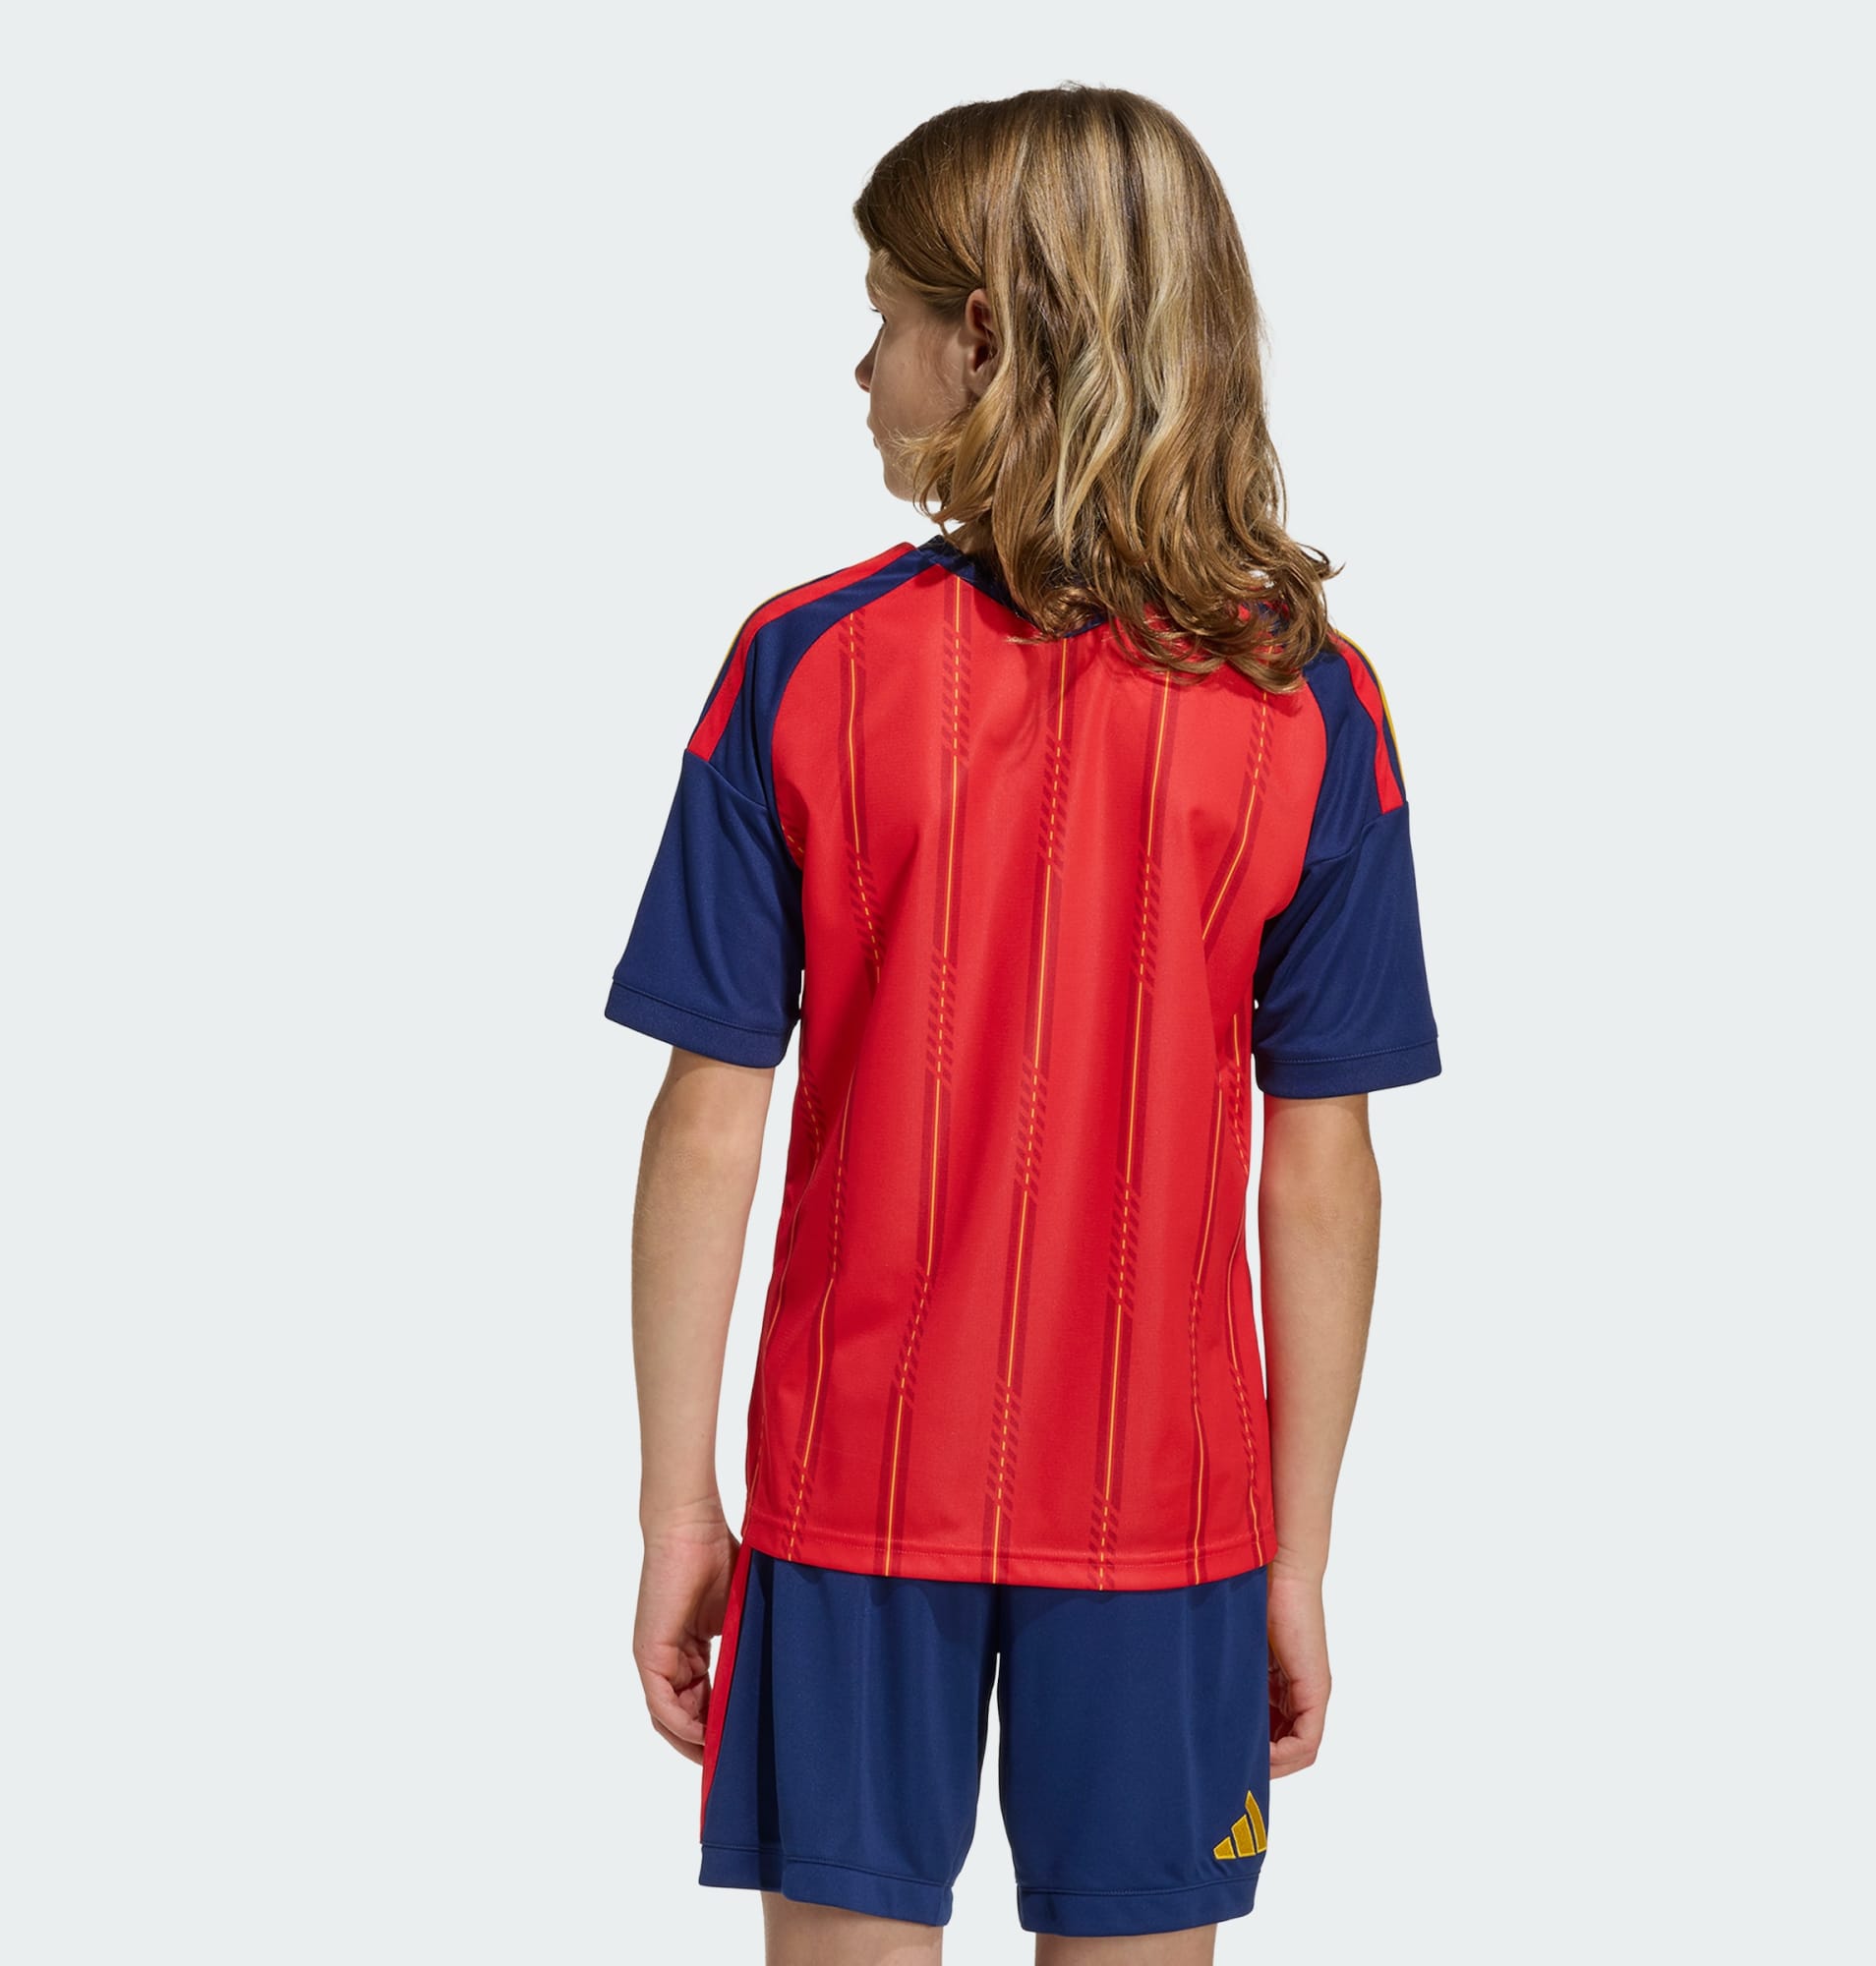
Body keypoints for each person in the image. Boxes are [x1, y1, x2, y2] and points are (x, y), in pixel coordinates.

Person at [607, 85, 1441, 1966]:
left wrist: (677, 1513)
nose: (861, 367)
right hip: (1171, 1508)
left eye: (886, 315)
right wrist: (1295, 1554)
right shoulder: (1313, 708)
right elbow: (1320, 1164)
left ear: (983, 336)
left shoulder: (801, 667)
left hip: (851, 1491)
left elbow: (709, 1119)